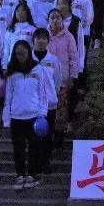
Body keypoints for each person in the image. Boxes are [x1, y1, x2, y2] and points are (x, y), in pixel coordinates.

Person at [3, 40, 48, 190]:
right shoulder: (12, 72)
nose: (20, 56)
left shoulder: (37, 69)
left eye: (23, 53)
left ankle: (32, 174)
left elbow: (42, 92)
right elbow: (8, 95)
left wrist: (42, 113)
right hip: (17, 116)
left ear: (28, 52)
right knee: (18, 148)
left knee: (34, 147)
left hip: (34, 115)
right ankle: (20, 175)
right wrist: (6, 118)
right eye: (17, 54)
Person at [47, 8, 79, 149]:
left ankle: (58, 140)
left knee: (61, 111)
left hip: (63, 80)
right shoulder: (43, 35)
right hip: (46, 80)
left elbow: (74, 58)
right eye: (52, 17)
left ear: (62, 20)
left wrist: (73, 76)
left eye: (57, 17)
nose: (55, 20)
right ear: (48, 20)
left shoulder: (69, 36)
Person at [31, 28, 61, 173]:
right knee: (33, 136)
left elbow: (57, 81)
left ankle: (46, 162)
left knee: (48, 135)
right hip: (32, 105)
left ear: (48, 41)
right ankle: (35, 164)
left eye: (44, 38)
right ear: (33, 40)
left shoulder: (54, 60)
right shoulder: (28, 59)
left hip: (49, 104)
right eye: (38, 38)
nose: (41, 40)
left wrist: (51, 95)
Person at [1, 0, 37, 72]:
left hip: (28, 63)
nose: (20, 12)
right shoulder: (10, 29)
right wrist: (4, 65)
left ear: (27, 13)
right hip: (12, 62)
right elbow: (6, 49)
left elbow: (35, 48)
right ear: (14, 14)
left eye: (23, 10)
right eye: (17, 11)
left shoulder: (33, 29)